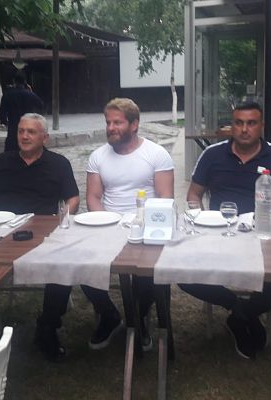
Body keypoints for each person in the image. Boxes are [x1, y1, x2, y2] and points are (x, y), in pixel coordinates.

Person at [179, 102, 271, 360]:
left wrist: (269, 233)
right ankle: (238, 307)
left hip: (261, 236)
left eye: (251, 123)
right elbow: (194, 195)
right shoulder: (212, 154)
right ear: (231, 126)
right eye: (239, 123)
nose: (244, 129)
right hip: (218, 234)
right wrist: (200, 222)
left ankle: (241, 316)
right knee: (182, 274)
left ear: (261, 126)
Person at [0, 113, 79, 361]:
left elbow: (73, 198)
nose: (24, 136)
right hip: (0, 231)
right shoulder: (1, 161)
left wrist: (62, 220)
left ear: (45, 138)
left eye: (31, 132)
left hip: (43, 233)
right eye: (21, 131)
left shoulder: (59, 164)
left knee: (64, 263)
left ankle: (47, 326)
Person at [83, 97, 174, 350]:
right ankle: (109, 315)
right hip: (109, 225)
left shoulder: (156, 154)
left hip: (146, 225)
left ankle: (138, 317)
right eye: (108, 122)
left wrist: (145, 226)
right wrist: (106, 223)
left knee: (148, 268)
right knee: (80, 262)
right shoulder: (98, 156)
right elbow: (93, 197)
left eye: (118, 122)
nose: (111, 128)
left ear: (134, 125)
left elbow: (165, 198)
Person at [0, 74, 43, 152]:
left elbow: (2, 111)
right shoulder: (29, 94)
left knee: (11, 147)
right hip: (28, 123)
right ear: (25, 82)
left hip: (13, 123)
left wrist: (4, 122)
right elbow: (40, 105)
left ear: (14, 82)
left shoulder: (7, 94)